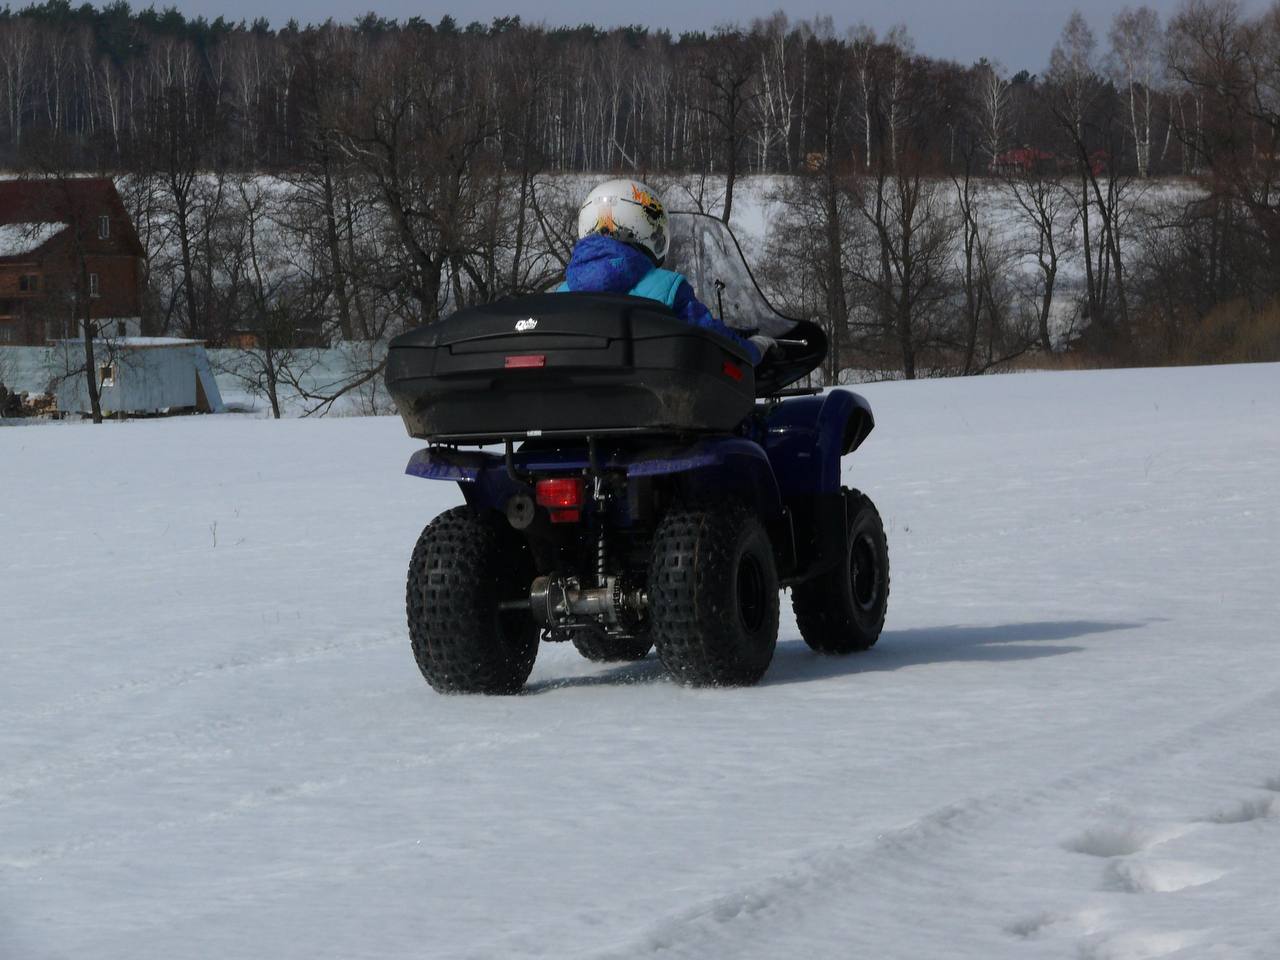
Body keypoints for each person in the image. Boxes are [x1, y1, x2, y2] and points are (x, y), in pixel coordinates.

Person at [557, 179, 774, 364]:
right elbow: (714, 341)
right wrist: (753, 349)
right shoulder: (667, 288)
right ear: (640, 227)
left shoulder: (561, 294)